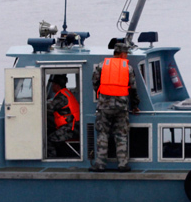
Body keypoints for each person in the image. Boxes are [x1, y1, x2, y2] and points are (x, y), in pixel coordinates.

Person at [90, 43, 139, 172]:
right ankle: (122, 164)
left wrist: (101, 94)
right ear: (122, 54)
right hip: (121, 107)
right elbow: (133, 88)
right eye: (126, 53)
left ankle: (100, 165)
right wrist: (135, 105)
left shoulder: (101, 65)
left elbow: (94, 82)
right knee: (121, 134)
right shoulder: (127, 68)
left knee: (103, 134)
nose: (126, 56)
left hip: (104, 106)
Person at [46, 74, 79, 157]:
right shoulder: (66, 93)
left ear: (57, 85)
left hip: (71, 129)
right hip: (73, 126)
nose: (52, 86)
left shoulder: (61, 97)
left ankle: (52, 160)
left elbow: (49, 109)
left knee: (49, 139)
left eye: (53, 84)